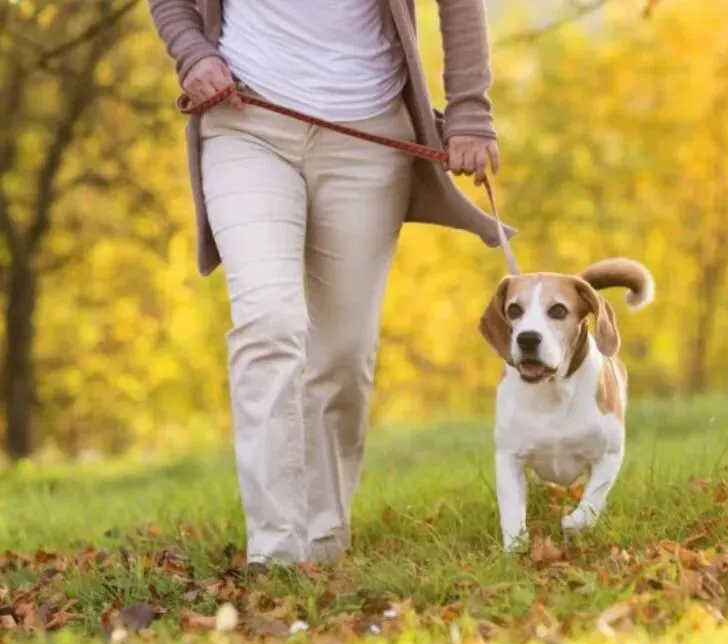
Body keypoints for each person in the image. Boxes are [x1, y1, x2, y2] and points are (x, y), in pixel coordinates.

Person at [147, 0, 514, 565]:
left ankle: (323, 542)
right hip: (246, 123)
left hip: (366, 139)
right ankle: (275, 554)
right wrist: (192, 52)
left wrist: (468, 113)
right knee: (268, 322)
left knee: (342, 356)